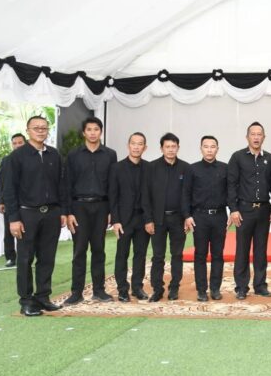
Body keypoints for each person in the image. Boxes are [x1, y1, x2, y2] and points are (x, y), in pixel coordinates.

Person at [3, 116, 65, 317]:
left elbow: (61, 185)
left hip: (52, 214)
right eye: (36, 127)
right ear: (28, 130)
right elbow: (9, 189)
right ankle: (26, 301)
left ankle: (43, 297)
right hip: (26, 214)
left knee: (47, 258)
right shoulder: (16, 157)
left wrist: (62, 211)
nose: (40, 130)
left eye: (44, 128)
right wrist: (14, 218)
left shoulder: (54, 154)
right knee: (25, 259)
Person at [63, 117, 118, 305]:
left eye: (96, 129)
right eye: (89, 129)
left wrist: (111, 211)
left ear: (101, 132)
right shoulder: (73, 155)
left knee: (98, 250)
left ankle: (99, 291)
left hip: (102, 207)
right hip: (79, 208)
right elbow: (67, 184)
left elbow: (113, 185)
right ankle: (76, 292)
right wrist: (68, 212)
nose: (93, 133)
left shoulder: (110, 155)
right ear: (83, 132)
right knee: (79, 251)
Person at [227, 122, 271, 299]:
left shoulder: (270, 158)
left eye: (259, 134)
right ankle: (241, 287)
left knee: (261, 250)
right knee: (242, 249)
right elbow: (231, 185)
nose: (256, 137)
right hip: (244, 210)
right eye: (253, 134)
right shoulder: (237, 157)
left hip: (263, 210)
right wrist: (233, 209)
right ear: (247, 137)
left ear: (264, 137)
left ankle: (260, 285)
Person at [142, 132, 190, 302]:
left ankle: (174, 288)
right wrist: (148, 219)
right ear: (161, 148)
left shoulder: (185, 168)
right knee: (158, 256)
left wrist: (187, 217)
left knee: (177, 255)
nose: (170, 150)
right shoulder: (151, 167)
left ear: (178, 148)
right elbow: (145, 196)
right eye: (167, 146)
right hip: (157, 220)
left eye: (173, 146)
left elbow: (188, 195)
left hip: (178, 219)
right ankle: (157, 289)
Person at [183, 136, 228, 302]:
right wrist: (187, 216)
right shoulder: (192, 169)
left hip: (219, 216)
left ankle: (215, 289)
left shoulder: (225, 168)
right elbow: (185, 194)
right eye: (206, 146)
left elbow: (231, 192)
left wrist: (234, 211)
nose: (209, 150)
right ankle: (201, 290)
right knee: (200, 254)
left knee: (218, 254)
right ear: (201, 149)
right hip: (199, 217)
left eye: (212, 146)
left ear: (217, 149)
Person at [109, 132, 151, 302]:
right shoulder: (117, 168)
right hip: (124, 220)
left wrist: (150, 219)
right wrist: (116, 220)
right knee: (122, 255)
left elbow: (152, 196)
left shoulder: (149, 168)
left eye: (140, 144)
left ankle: (137, 287)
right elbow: (113, 196)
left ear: (145, 148)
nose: (136, 147)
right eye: (133, 143)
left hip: (143, 218)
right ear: (128, 146)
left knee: (140, 254)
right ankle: (122, 289)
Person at [0, 132, 26, 268]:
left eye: (20, 143)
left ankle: (25, 257)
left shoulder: (32, 159)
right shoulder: (6, 160)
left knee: (26, 230)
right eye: (15, 143)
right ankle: (10, 257)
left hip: (27, 202)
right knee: (9, 231)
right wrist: (0, 201)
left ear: (25, 143)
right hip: (9, 202)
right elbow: (1, 182)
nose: (17, 145)